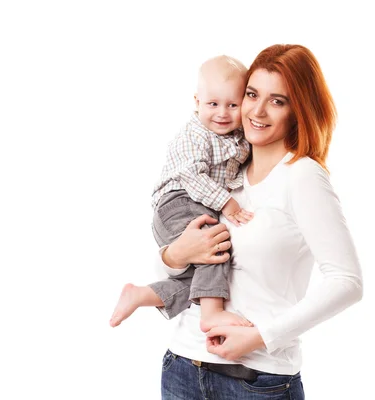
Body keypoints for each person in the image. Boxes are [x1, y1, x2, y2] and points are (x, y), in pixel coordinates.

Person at [155, 44, 364, 399]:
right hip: (184, 367)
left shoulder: (302, 177)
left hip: (258, 381)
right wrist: (172, 257)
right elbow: (184, 273)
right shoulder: (223, 173)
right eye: (252, 94)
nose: (258, 110)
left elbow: (347, 282)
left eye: (278, 101)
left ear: (299, 111)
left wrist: (261, 337)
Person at [110, 55, 255, 332]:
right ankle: (211, 315)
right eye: (213, 104)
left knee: (203, 278)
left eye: (232, 105)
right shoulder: (195, 135)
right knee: (214, 246)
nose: (223, 113)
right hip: (178, 203)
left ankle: (141, 295)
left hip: (194, 207)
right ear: (197, 101)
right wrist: (227, 203)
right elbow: (190, 175)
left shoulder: (237, 138)